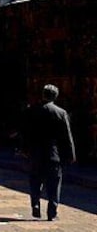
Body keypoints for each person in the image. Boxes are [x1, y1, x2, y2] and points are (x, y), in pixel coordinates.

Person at [22, 84, 76, 222]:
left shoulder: (31, 111)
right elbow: (67, 136)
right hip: (53, 154)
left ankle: (35, 204)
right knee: (54, 183)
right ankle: (52, 212)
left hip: (35, 153)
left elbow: (25, 133)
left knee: (35, 180)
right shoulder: (60, 113)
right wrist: (70, 154)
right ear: (55, 96)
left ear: (43, 95)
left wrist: (24, 149)